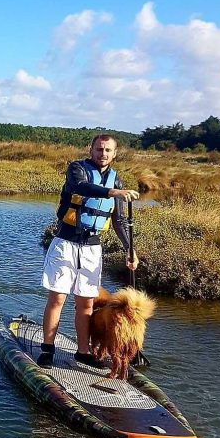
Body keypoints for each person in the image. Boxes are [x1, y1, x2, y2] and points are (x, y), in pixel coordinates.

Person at [38, 133, 140, 369]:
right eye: (99, 149)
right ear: (91, 149)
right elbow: (81, 187)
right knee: (58, 298)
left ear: (114, 153)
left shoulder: (116, 181)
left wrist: (129, 249)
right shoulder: (77, 170)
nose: (102, 154)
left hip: (92, 247)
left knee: (86, 303)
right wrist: (114, 193)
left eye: (107, 150)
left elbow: (118, 221)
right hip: (66, 242)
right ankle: (47, 350)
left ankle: (83, 352)